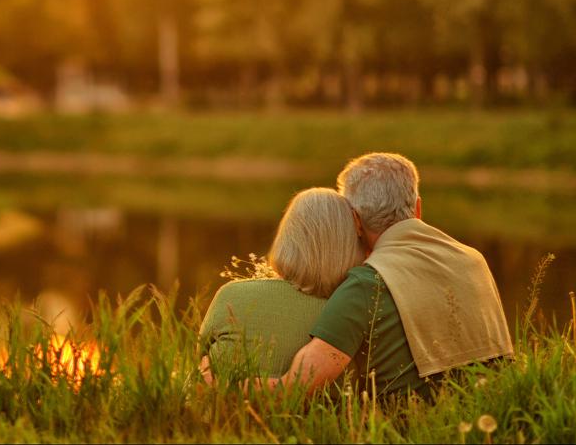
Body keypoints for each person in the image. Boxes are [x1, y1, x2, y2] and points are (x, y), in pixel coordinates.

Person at [269, 153, 514, 398]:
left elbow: (295, 388)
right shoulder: (473, 259)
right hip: (490, 413)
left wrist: (237, 384)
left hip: (407, 428)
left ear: (354, 220)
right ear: (417, 208)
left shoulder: (367, 284)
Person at [198, 188, 365, 379]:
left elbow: (201, 356)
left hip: (218, 405)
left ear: (287, 237)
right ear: (350, 245)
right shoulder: (352, 313)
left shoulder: (231, 294)